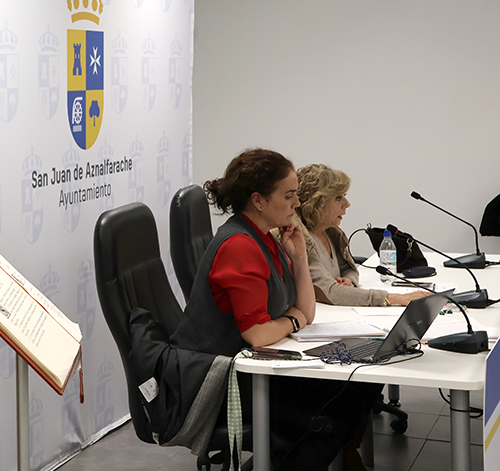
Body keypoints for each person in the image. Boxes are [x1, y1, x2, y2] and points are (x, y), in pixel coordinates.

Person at [171, 148, 379, 470]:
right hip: (221, 383)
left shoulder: (267, 237)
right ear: (258, 200)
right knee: (332, 417)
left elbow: (306, 310)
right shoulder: (240, 245)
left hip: (252, 369)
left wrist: (298, 257)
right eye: (289, 195)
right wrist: (293, 320)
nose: (297, 203)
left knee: (359, 389)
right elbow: (257, 333)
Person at [296, 164, 429, 307]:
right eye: (338, 198)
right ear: (317, 203)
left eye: (345, 196)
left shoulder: (330, 232)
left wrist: (349, 281)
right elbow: (331, 292)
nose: (347, 204)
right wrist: (393, 298)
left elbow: (348, 268)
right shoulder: (301, 240)